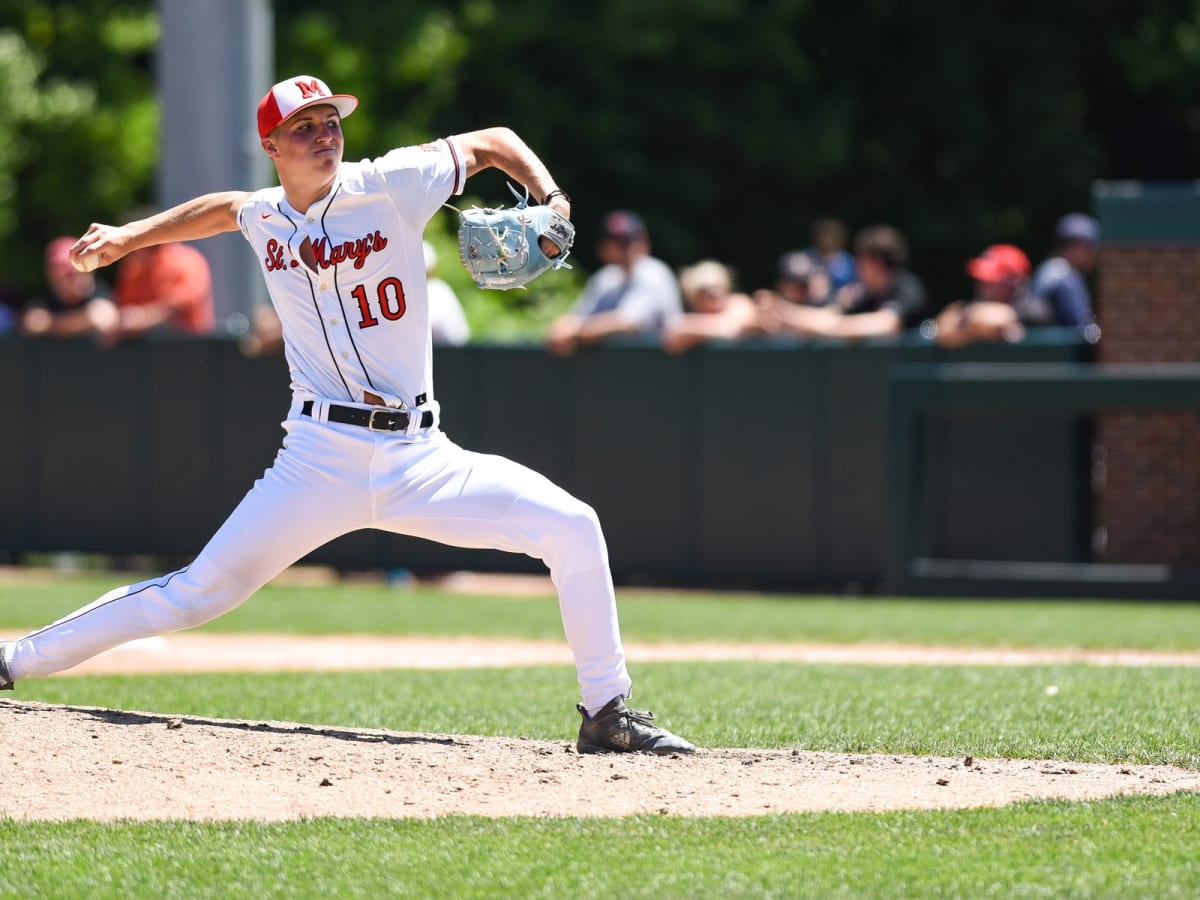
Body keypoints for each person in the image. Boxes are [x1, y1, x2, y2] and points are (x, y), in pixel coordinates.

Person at [0, 75, 694, 757]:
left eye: (331, 122)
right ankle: (15, 660)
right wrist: (129, 237)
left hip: (421, 457)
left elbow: (495, 142)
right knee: (192, 594)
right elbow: (224, 207)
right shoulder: (266, 212)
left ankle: (606, 712)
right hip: (316, 457)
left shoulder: (390, 181)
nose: (325, 135)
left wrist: (555, 201)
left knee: (572, 525)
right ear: (272, 145)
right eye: (305, 127)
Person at [545, 210, 681, 355]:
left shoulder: (654, 272)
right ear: (603, 247)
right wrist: (563, 326)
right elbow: (577, 316)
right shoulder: (605, 278)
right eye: (616, 241)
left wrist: (576, 331)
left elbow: (628, 321)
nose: (625, 247)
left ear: (644, 241)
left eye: (629, 239)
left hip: (661, 367)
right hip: (619, 368)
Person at [760, 224, 928, 340]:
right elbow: (829, 317)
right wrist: (783, 311)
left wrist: (836, 328)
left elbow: (887, 324)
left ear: (875, 262)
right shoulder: (866, 293)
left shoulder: (908, 288)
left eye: (860, 260)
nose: (857, 267)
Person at [932, 243, 1047, 348]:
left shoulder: (1034, 310)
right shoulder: (977, 306)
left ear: (1013, 281)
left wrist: (967, 321)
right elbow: (941, 328)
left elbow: (1003, 318)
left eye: (991, 279)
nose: (982, 284)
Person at [19, 236, 119, 341]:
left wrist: (52, 324)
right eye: (64, 275)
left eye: (74, 273)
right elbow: (33, 323)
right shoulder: (47, 300)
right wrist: (83, 321)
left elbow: (105, 318)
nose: (72, 280)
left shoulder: (100, 294)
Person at [112, 237, 216, 339]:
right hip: (144, 349)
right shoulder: (135, 266)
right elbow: (124, 306)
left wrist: (142, 318)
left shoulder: (186, 261)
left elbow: (177, 307)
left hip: (188, 346)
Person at [661, 260, 761, 353]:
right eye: (705, 291)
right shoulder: (691, 319)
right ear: (693, 297)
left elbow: (731, 329)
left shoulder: (740, 303)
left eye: (718, 287)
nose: (715, 294)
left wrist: (693, 330)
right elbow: (673, 335)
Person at [1029, 212, 1100, 328]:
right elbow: (1082, 328)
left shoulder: (1047, 268)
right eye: (1090, 247)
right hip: (1058, 345)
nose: (1094, 254)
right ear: (1077, 246)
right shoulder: (1068, 278)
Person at [423, 240, 470, 346]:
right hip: (446, 352)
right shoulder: (439, 287)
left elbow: (428, 323)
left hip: (451, 352)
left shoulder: (436, 289)